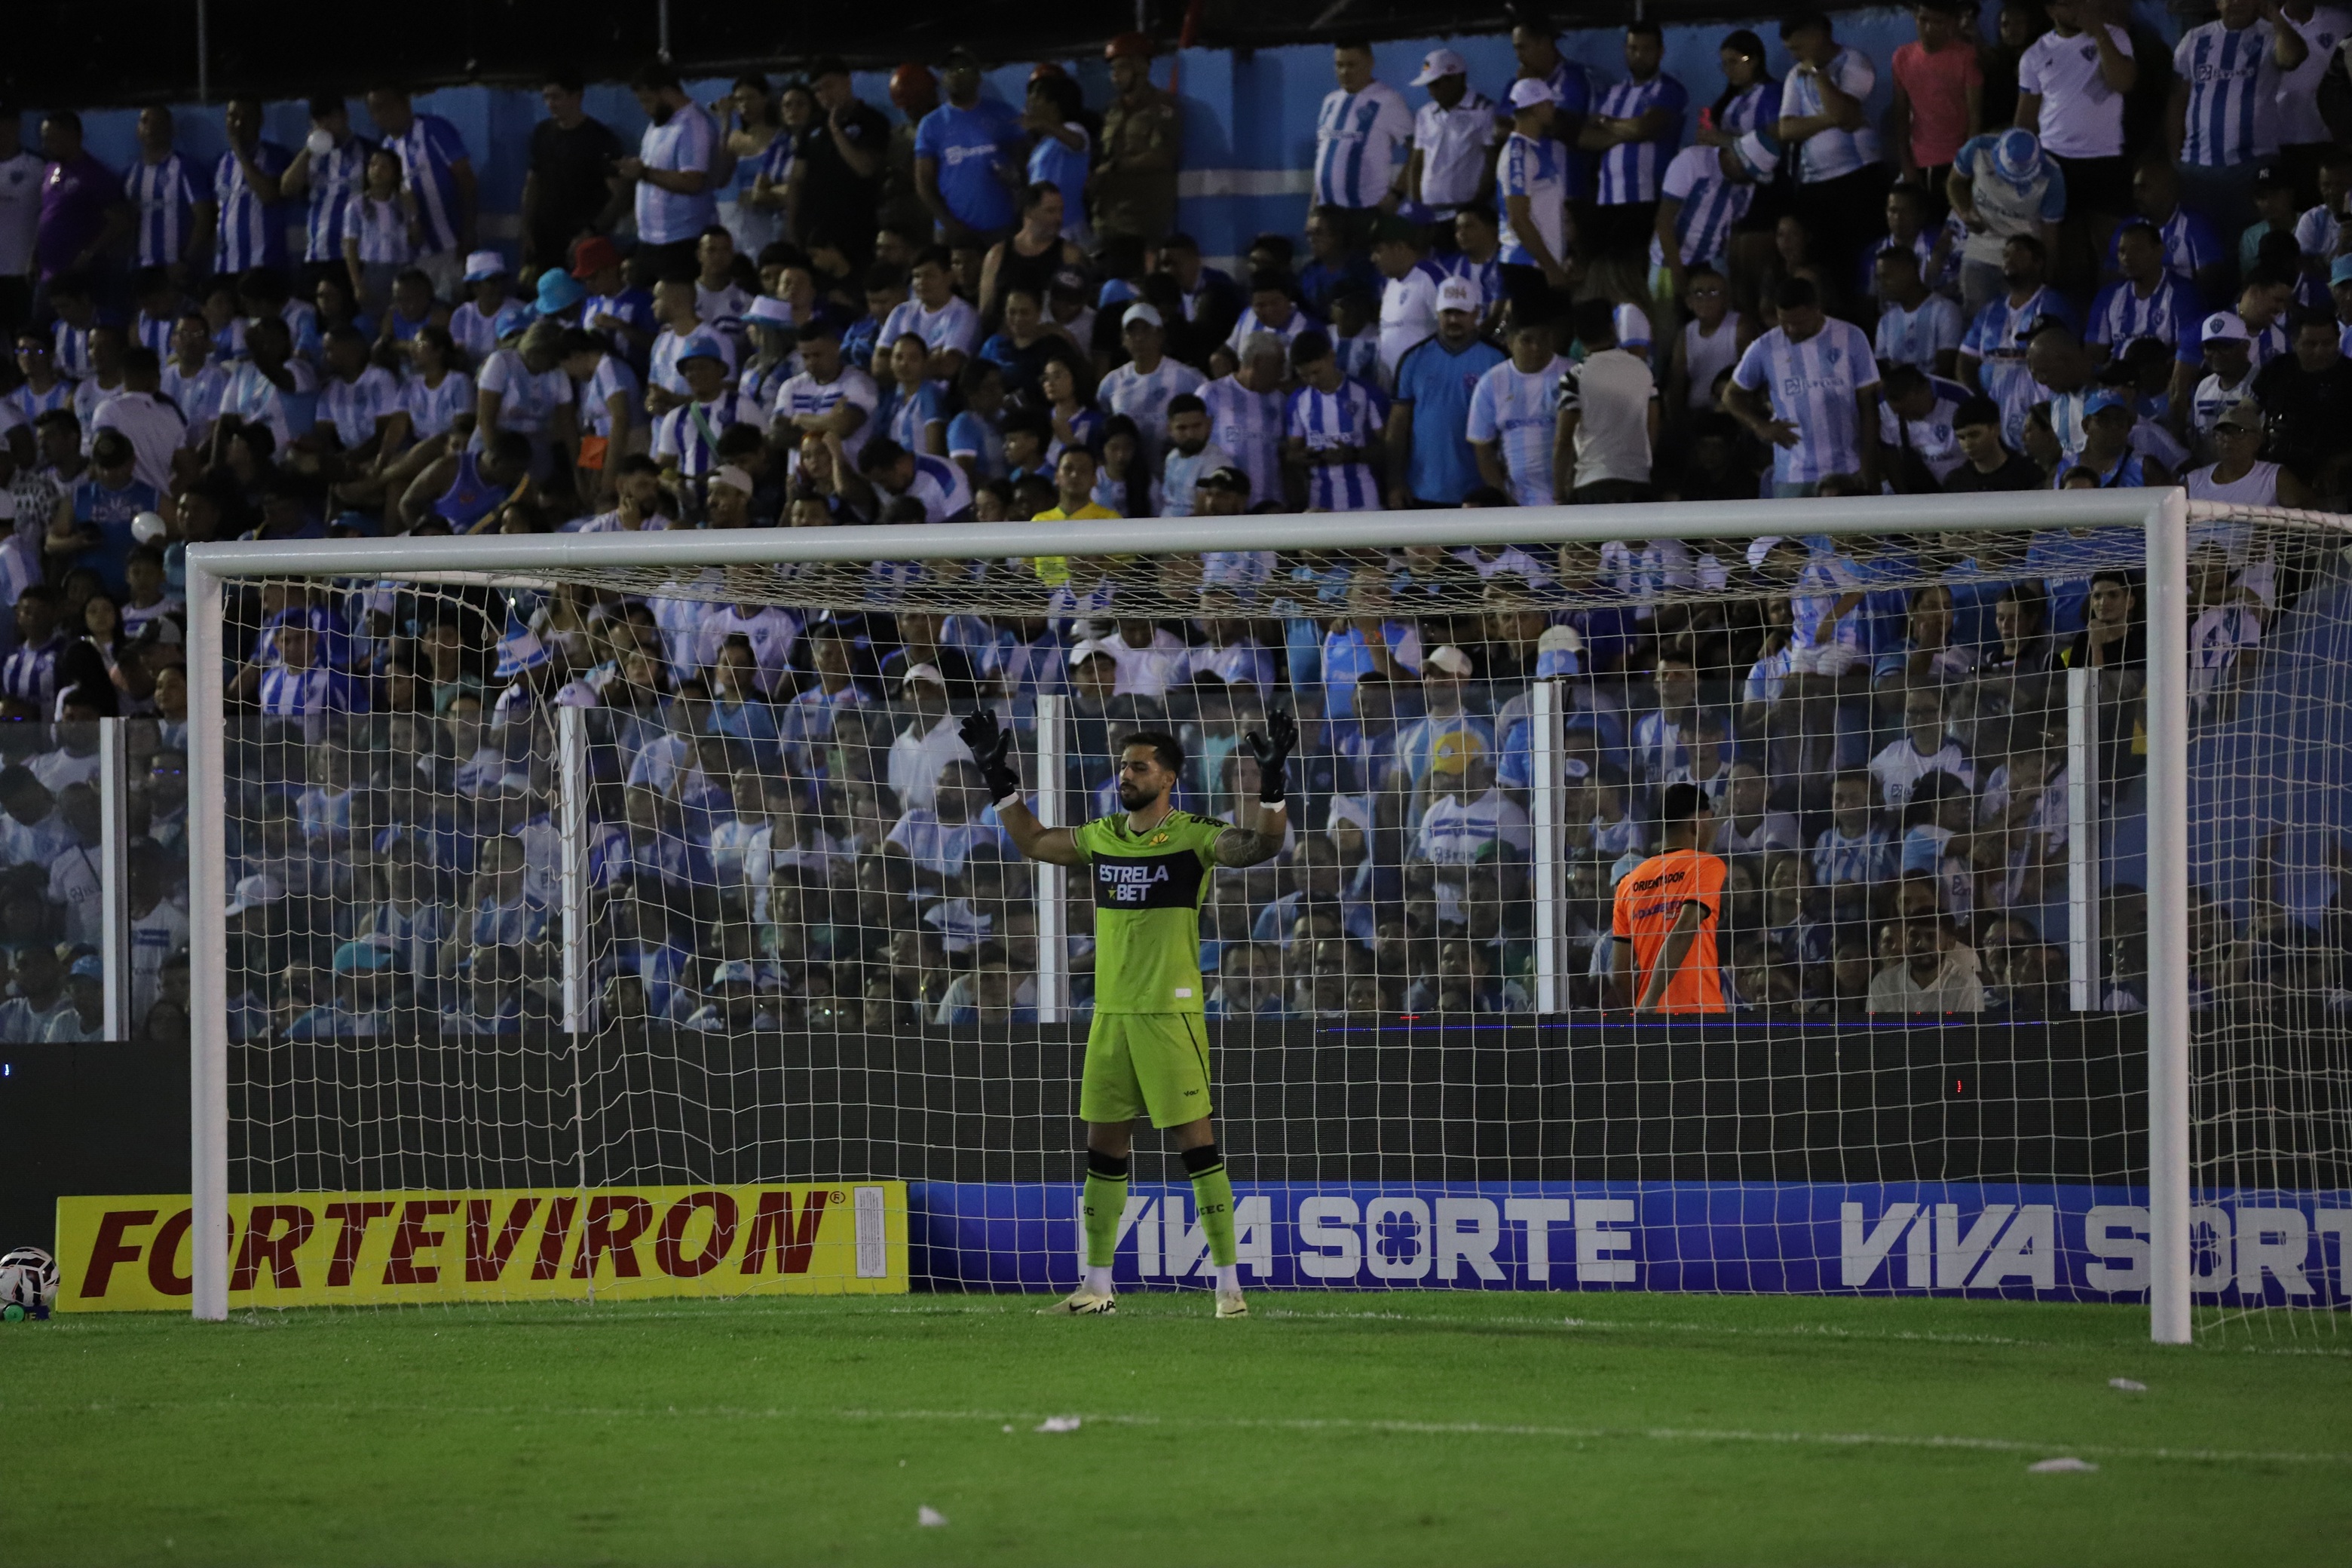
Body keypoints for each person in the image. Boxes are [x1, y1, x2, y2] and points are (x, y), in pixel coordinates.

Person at [963, 710, 1288, 1318]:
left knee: (1196, 1146)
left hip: (1169, 1013)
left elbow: (1259, 848)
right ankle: (1096, 1287)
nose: (1125, 775)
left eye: (1138, 767)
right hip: (1110, 1013)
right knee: (1103, 1148)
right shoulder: (1103, 835)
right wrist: (998, 781)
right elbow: (1033, 841)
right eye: (1122, 766)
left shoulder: (1194, 835)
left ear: (1168, 778)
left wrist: (1271, 790)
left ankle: (1229, 1290)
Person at [1726, 277, 1882, 496]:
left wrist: (1868, 465)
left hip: (1847, 470)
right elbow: (1731, 395)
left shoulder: (1851, 337)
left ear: (1817, 309)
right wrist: (1760, 426)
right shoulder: (1765, 347)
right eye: (1784, 322)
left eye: (1799, 322)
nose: (1791, 329)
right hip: (1792, 475)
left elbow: (1868, 406)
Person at [2169, 0, 2308, 237]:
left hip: (2254, 163)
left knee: (2254, 237)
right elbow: (2177, 99)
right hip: (2197, 166)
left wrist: (2274, 16)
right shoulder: (2195, 38)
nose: (2236, 2)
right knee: (2203, 237)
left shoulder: (2271, 34)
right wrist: (2175, 157)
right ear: (2218, 3)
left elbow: (2293, 57)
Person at [1775, 11, 1885, 286]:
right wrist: (1831, 119)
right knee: (1825, 266)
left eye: (1798, 48)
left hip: (1857, 178)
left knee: (1861, 261)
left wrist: (1818, 73)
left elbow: (1843, 114)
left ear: (1818, 36)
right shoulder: (1795, 74)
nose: (1794, 56)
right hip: (1815, 185)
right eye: (1790, 50)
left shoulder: (1854, 62)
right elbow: (1786, 130)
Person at [1387, 277, 1505, 509]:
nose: (1453, 319)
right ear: (1437, 312)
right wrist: (1394, 482)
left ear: (1475, 313)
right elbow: (1398, 425)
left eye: (1461, 313)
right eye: (1447, 312)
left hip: (1480, 493)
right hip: (1421, 489)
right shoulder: (1413, 359)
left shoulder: (1497, 358)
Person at [1610, 782, 1727, 1014]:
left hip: (1651, 1020)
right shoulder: (1705, 865)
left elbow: (1619, 975)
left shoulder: (1628, 883)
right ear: (1697, 822)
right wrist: (1650, 1001)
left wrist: (1641, 1012)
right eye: (1710, 822)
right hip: (1700, 1013)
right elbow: (1684, 929)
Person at [1582, 20, 1689, 262]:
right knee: (1608, 269)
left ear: (1660, 52)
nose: (1639, 56)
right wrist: (1631, 130)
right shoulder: (1613, 93)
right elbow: (1586, 138)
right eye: (1633, 49)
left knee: (1637, 268)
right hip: (1608, 198)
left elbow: (1645, 127)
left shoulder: (1669, 90)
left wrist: (1606, 123)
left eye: (1647, 49)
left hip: (1648, 198)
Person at [366, 86, 476, 298]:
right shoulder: (386, 148)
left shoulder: (433, 129)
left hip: (452, 244)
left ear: (405, 104)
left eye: (386, 106)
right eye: (375, 110)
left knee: (454, 303)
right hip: (415, 255)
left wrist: (468, 231)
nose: (382, 114)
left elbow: (466, 179)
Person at [1945, 127, 2068, 320]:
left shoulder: (2052, 176)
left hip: (2023, 256)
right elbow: (1954, 182)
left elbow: (2051, 233)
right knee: (1976, 315)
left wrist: (2046, 278)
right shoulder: (1978, 149)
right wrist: (1965, 212)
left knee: (2019, 320)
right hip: (1982, 246)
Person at [914, 46, 1027, 243]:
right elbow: (924, 182)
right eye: (949, 70)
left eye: (962, 69)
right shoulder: (931, 124)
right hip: (953, 231)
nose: (955, 75)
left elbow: (1025, 163)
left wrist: (1020, 198)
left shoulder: (1004, 114)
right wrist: (948, 223)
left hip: (1001, 226)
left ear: (978, 78)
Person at [1554, 296, 1658, 503]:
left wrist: (1559, 493)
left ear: (1578, 335)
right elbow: (1652, 425)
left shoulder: (1576, 377)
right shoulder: (1642, 370)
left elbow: (1563, 440)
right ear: (1612, 328)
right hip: (1638, 480)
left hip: (1593, 481)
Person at [522, 72, 625, 280]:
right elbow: (533, 183)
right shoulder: (543, 133)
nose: (551, 104)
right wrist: (526, 230)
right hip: (546, 238)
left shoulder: (600, 138)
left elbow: (620, 195)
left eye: (556, 97)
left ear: (577, 97)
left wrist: (591, 232)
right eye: (546, 97)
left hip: (581, 240)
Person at [621, 63, 719, 275]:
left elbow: (693, 181)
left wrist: (644, 173)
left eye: (647, 100)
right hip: (650, 239)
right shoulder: (658, 124)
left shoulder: (693, 125)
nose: (645, 108)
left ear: (667, 92)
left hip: (681, 240)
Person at [1312, 41, 1414, 245]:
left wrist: (1396, 194)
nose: (1345, 72)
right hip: (1328, 213)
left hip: (1365, 212)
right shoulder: (1331, 102)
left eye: (1351, 65)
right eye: (1339, 65)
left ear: (1370, 63)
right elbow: (1323, 157)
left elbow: (1418, 151)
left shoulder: (1388, 100)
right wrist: (1313, 210)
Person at [1495, 79, 1573, 328]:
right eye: (1549, 104)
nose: (1553, 109)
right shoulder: (1518, 155)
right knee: (1536, 339)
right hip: (1527, 265)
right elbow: (1519, 218)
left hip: (1541, 264)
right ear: (1536, 107)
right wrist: (1550, 267)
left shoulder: (1535, 150)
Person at [1468, 314, 1566, 506]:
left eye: (1543, 339)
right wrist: (1503, 497)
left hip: (1567, 499)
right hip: (1517, 500)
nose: (1536, 347)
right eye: (1527, 340)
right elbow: (1482, 448)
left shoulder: (1571, 375)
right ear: (1510, 342)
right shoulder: (1491, 383)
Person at [1891, 0, 1983, 203]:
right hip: (1920, 158)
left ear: (1950, 24)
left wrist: (1967, 165)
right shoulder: (1902, 57)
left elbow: (1975, 116)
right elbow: (1901, 115)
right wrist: (1907, 165)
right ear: (1915, 18)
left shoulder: (1966, 56)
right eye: (1923, 20)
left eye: (1938, 22)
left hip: (1957, 158)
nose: (1929, 28)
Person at [1098, 303, 1205, 476]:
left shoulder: (1187, 378)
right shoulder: (1112, 383)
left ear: (1160, 335)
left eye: (1146, 330)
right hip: (1129, 481)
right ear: (1123, 339)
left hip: (1176, 475)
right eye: (1132, 332)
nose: (1139, 338)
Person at [1095, 34, 1183, 244]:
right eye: (1113, 69)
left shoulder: (1162, 106)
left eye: (1122, 68)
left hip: (1142, 217)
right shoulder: (1113, 110)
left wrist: (1116, 167)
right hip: (1107, 216)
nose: (1115, 76)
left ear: (1141, 67)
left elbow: (1163, 156)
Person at [1285, 329, 1384, 511]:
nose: (1313, 380)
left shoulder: (1366, 393)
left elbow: (1388, 448)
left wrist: (1353, 455)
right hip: (1319, 498)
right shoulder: (1298, 401)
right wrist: (1304, 457)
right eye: (1304, 376)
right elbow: (1293, 453)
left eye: (1317, 372)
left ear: (1331, 357)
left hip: (1364, 496)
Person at [1404, 48, 1499, 239]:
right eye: (1429, 85)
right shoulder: (1425, 114)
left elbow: (1492, 163)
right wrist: (1417, 206)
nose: (1431, 92)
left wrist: (1474, 208)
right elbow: (1417, 163)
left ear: (1456, 79)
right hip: (1430, 213)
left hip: (1465, 213)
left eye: (1435, 84)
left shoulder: (1483, 111)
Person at [124, 106, 212, 286]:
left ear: (171, 130)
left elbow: (205, 217)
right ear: (137, 130)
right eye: (145, 122)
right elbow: (125, 221)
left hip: (176, 270)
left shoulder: (186, 168)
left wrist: (185, 262)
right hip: (141, 271)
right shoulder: (131, 175)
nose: (150, 128)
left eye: (158, 123)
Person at [2184, 395, 2319, 507]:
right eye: (2222, 433)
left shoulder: (2273, 478)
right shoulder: (2194, 481)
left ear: (2258, 440)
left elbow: (2310, 509)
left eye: (2238, 432)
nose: (2228, 439)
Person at [1873, 245, 1964, 376]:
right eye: (1879, 278)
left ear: (1909, 272)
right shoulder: (1886, 321)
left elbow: (1946, 367)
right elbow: (1880, 368)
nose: (1882, 284)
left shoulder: (1945, 310)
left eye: (1887, 276)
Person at [1868, 917, 1986, 1012]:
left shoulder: (1965, 983)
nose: (1920, 944)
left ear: (1950, 943)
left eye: (1931, 937)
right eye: (1914, 936)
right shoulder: (1884, 981)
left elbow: (1968, 1033)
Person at [1942, 393, 2047, 490]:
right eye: (1961, 438)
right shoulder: (1956, 482)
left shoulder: (2029, 473)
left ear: (1996, 429)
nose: (1968, 444)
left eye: (1974, 435)